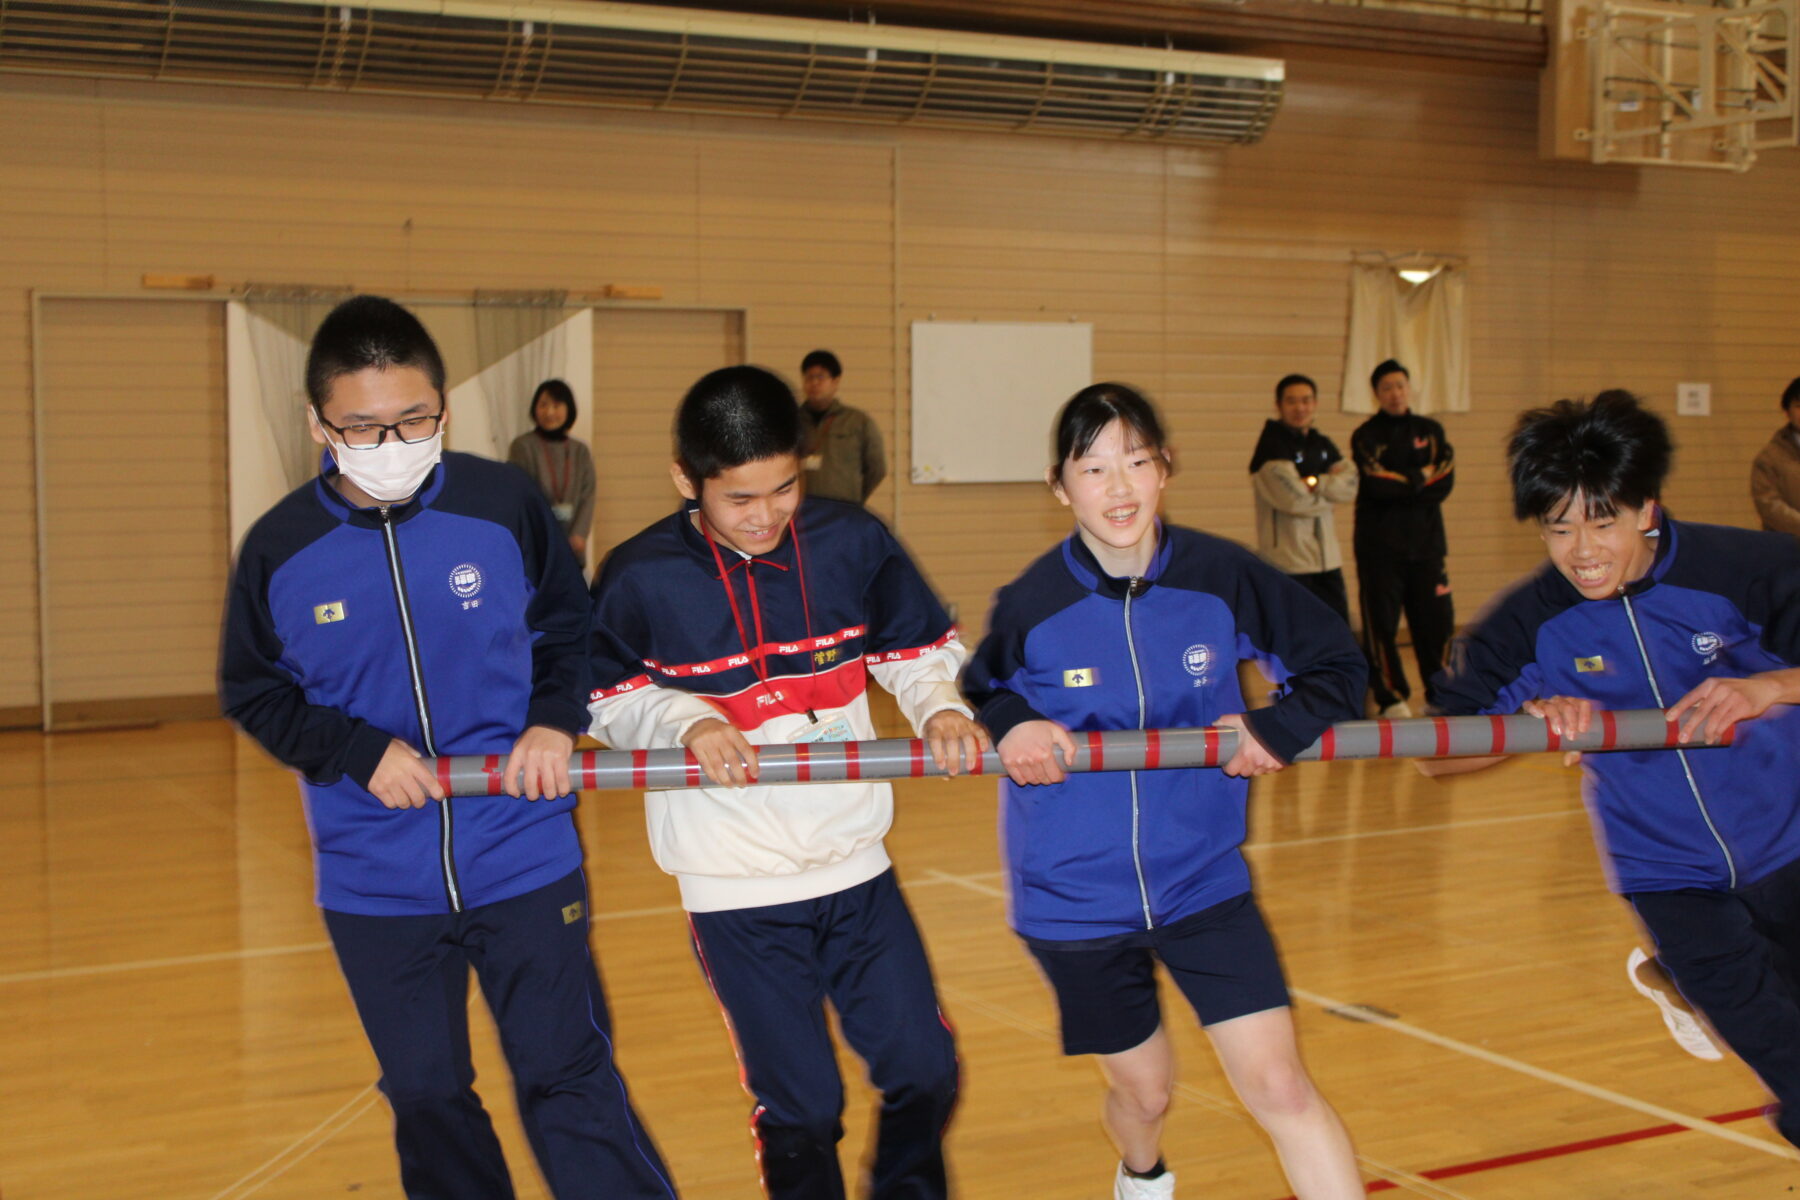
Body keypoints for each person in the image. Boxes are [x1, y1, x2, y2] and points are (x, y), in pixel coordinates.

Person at [220, 296, 676, 1200]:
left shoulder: (501, 504)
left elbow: (568, 625)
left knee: (568, 1075)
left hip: (524, 853)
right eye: (364, 426)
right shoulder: (279, 549)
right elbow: (253, 689)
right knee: (428, 1096)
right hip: (374, 878)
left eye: (414, 419)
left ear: (444, 409)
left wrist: (556, 715)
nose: (393, 443)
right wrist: (353, 749)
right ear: (319, 423)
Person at [586, 364, 984, 1198]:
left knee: (926, 1070)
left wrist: (938, 705)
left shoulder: (852, 541)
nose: (766, 516)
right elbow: (604, 697)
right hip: (735, 891)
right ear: (684, 481)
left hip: (856, 868)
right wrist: (685, 721)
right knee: (802, 1108)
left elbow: (915, 651)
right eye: (739, 499)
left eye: (783, 490)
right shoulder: (638, 574)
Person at [963, 383, 1367, 1200]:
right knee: (1145, 1092)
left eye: (1137, 463)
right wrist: (1008, 721)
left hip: (1204, 881)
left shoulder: (1224, 578)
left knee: (1281, 1087)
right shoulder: (1033, 602)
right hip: (1074, 899)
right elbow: (977, 686)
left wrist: (1275, 727)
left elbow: (1338, 665)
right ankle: (1140, 1172)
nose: (1119, 489)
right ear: (1059, 485)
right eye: (1095, 468)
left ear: (1166, 469)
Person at [1428, 390, 1800, 1145]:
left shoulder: (1745, 569)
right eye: (1558, 527)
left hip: (1791, 846)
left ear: (1648, 511)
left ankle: (1672, 981)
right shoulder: (1531, 620)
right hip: (1666, 877)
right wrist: (1521, 727)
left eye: (1602, 521)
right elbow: (1440, 755)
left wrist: (1768, 686)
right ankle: (1679, 968)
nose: (1582, 550)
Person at [1350, 359, 1455, 718]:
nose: (1395, 393)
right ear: (1376, 394)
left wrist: (1406, 481)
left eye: (1400, 386)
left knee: (1436, 624)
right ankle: (1391, 696)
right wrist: (1420, 477)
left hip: (1427, 547)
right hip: (1380, 549)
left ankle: (1440, 692)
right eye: (1387, 388)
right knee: (1382, 627)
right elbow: (1377, 483)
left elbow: (1445, 479)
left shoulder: (1432, 430)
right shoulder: (1366, 436)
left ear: (1409, 389)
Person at [1249, 373, 1358, 623]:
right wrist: (1329, 489)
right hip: (1289, 564)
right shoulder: (1271, 446)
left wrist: (1315, 482)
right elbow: (1295, 502)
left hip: (1327, 561)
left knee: (1338, 633)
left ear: (1315, 404)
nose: (1300, 408)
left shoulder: (1321, 444)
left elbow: (1351, 485)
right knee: (1295, 640)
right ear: (1278, 405)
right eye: (1292, 401)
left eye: (1306, 401)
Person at [508, 378, 597, 562]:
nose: (549, 412)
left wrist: (579, 534)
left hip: (573, 543)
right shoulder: (523, 446)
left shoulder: (580, 450)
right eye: (543, 405)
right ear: (535, 408)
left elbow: (588, 494)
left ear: (568, 409)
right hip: (536, 540)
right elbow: (519, 493)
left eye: (556, 405)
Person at [798, 349, 887, 505]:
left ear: (835, 381)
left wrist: (856, 498)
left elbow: (877, 468)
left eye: (821, 377)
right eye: (809, 377)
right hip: (802, 510)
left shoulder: (857, 421)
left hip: (844, 509)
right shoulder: (792, 421)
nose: (814, 383)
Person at [1749, 376, 1800, 538]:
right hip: (1790, 549)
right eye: (1799, 406)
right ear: (1787, 411)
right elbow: (1769, 506)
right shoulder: (1770, 458)